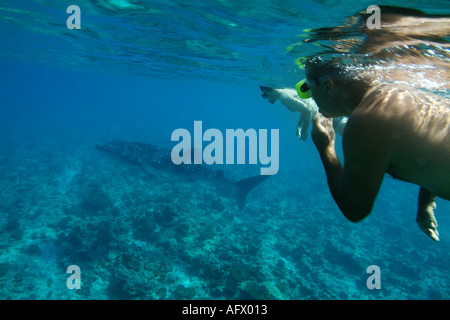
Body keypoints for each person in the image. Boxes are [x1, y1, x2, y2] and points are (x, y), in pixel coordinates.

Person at [300, 56, 450, 242]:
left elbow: (354, 210)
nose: (308, 96)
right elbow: (432, 148)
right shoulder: (403, 94)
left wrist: (326, 147)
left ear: (328, 87)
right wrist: (426, 203)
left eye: (306, 88)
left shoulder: (368, 119)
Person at [260, 86, 348, 139]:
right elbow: (304, 109)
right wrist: (299, 127)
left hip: (330, 120)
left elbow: (307, 111)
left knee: (357, 136)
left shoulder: (284, 98)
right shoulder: (286, 92)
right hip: (329, 116)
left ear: (269, 91)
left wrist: (305, 130)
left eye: (266, 95)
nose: (269, 99)